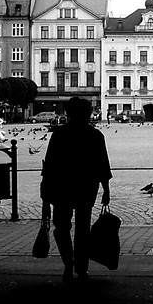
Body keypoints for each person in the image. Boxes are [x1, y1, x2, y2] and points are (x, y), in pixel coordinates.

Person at [40, 97, 112, 283]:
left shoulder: (59, 135)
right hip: (86, 187)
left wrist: (45, 194)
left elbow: (50, 165)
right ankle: (81, 268)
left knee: (61, 227)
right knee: (83, 228)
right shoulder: (95, 135)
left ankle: (68, 263)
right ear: (88, 114)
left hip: (62, 187)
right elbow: (102, 165)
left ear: (68, 114)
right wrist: (106, 189)